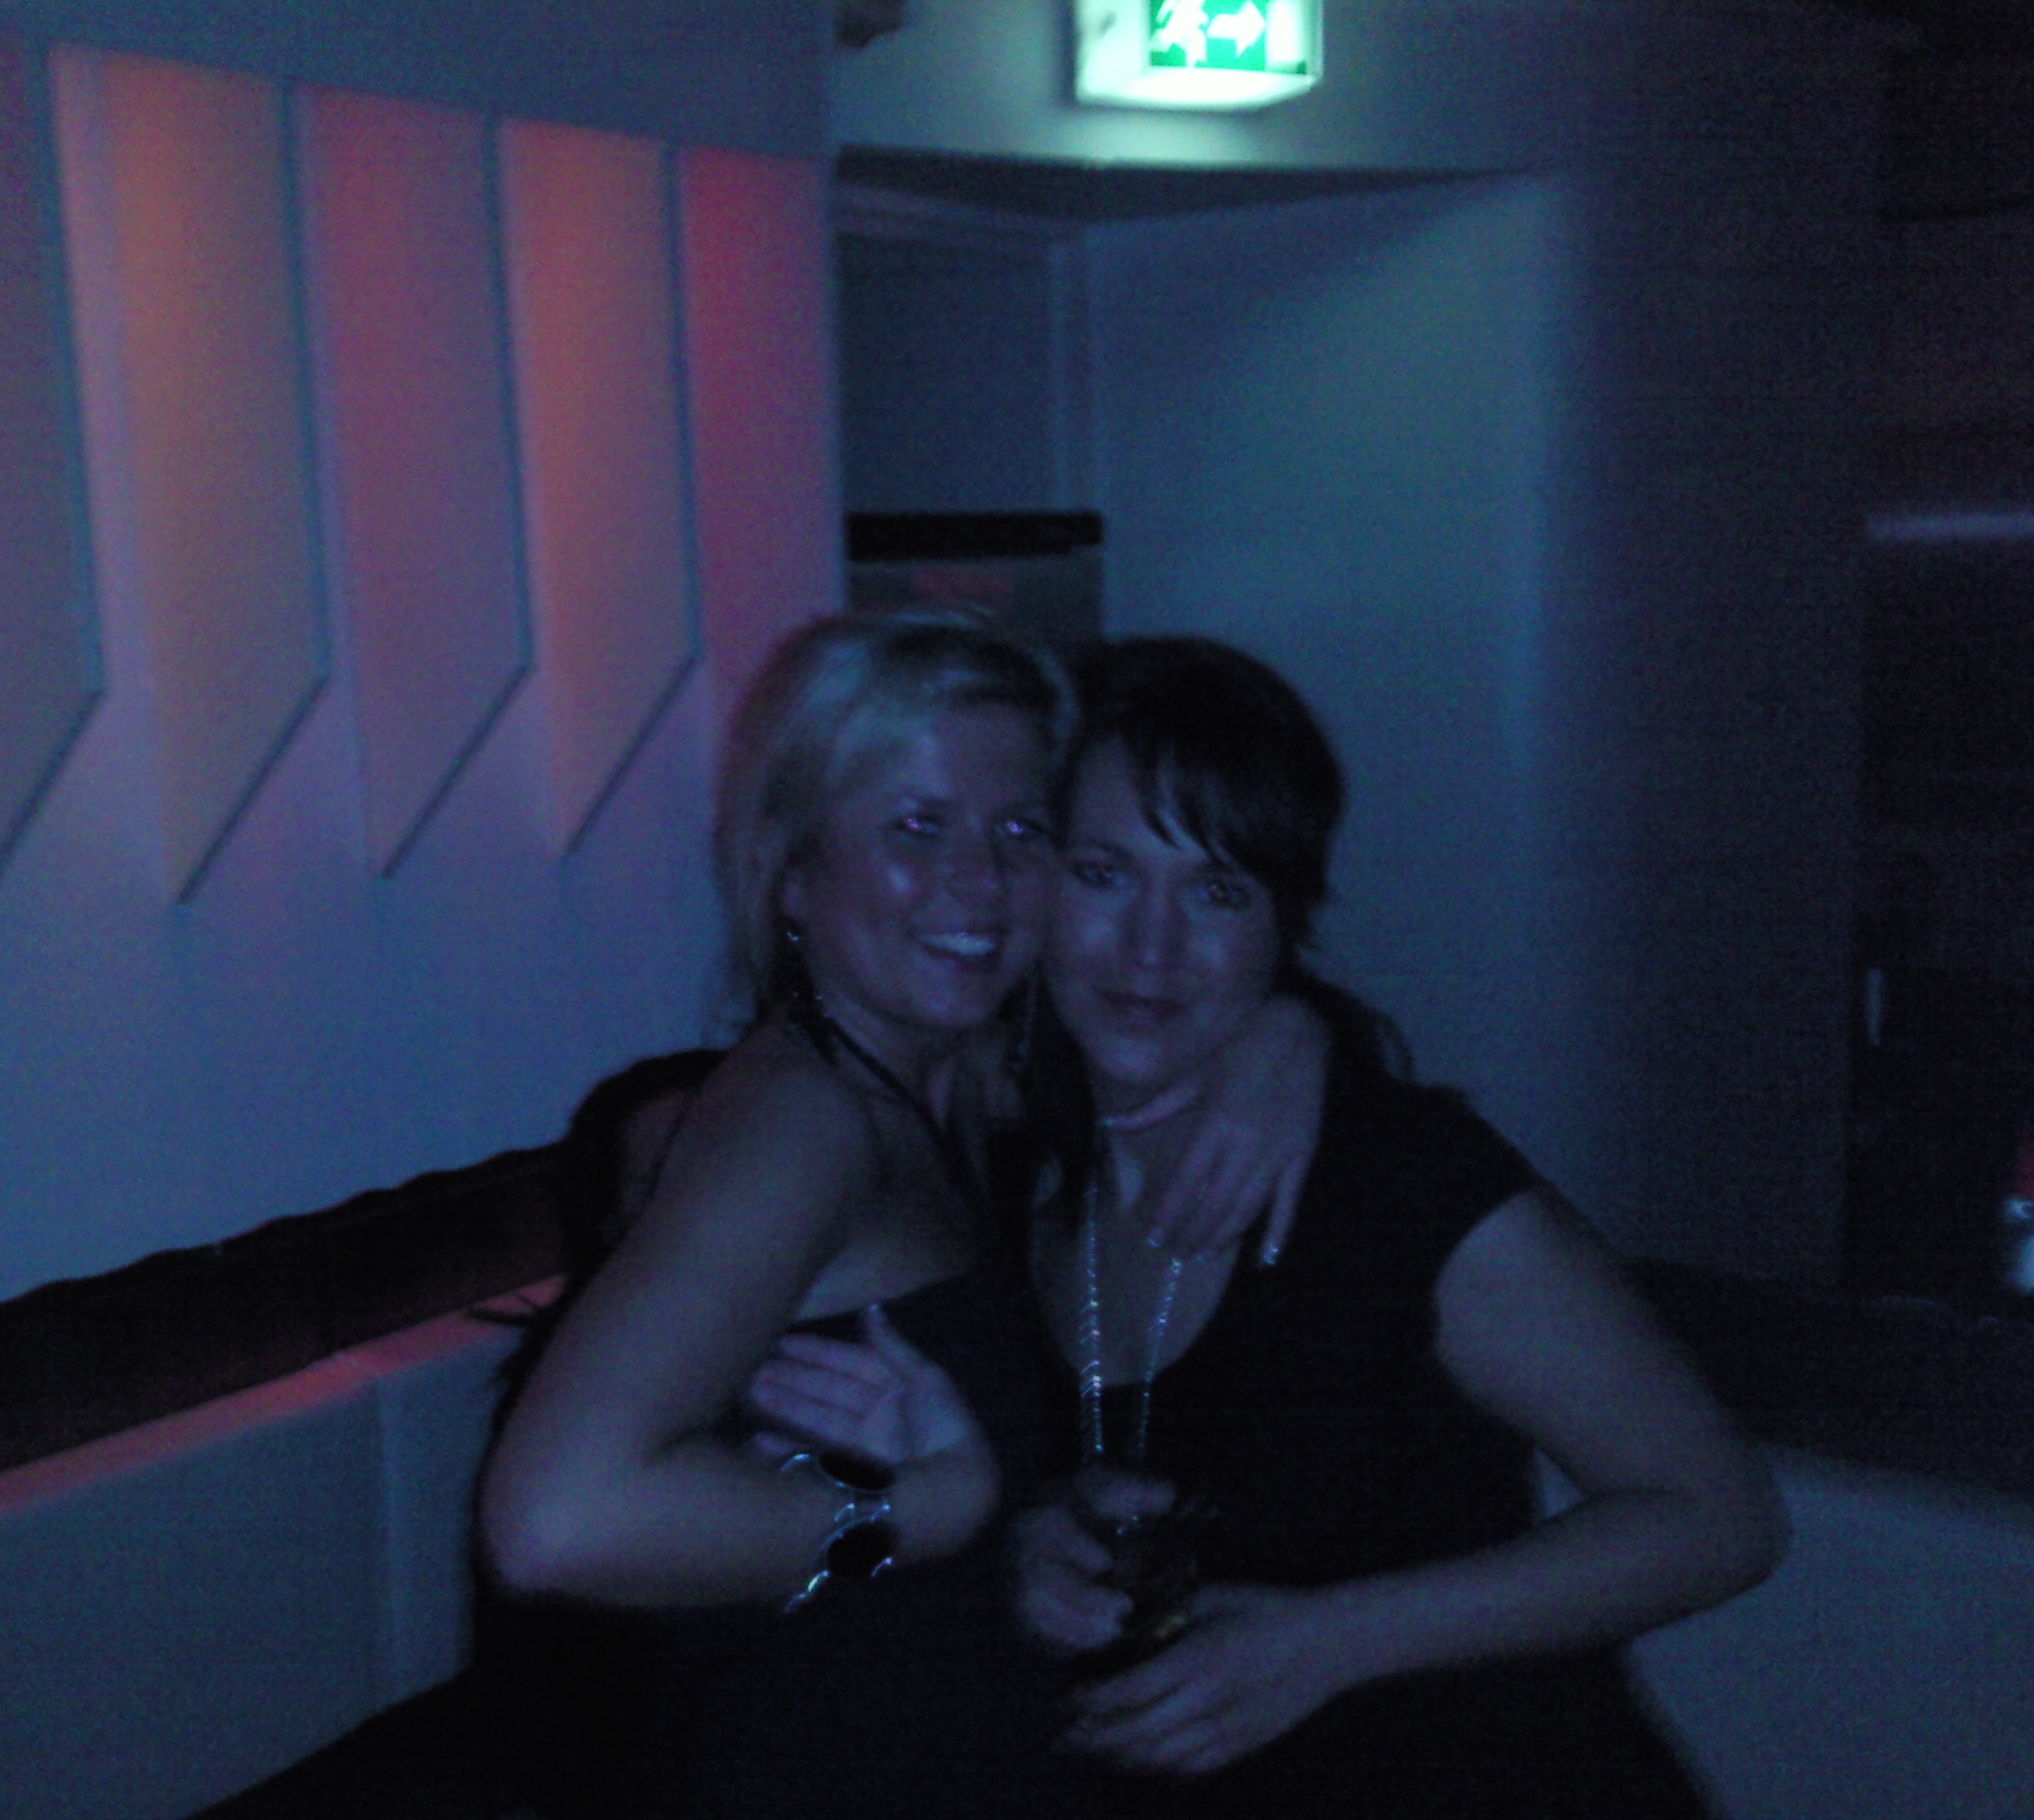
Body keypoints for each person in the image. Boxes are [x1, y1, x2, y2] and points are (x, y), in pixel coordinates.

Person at [477, 611, 1323, 1818]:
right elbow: (558, 1524)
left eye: (1019, 830)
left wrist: (1287, 1031)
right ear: (793, 870)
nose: (978, 883)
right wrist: (917, 1514)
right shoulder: (803, 1123)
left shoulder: (942, 1089)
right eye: (917, 827)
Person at [1003, 637, 1788, 1815]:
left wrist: (1324, 1643)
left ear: (1282, 924)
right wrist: (1028, 1541)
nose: (1151, 948)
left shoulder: (1399, 1184)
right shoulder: (1011, 1172)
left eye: (1217, 891)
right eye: (1104, 873)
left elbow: (1721, 1520)